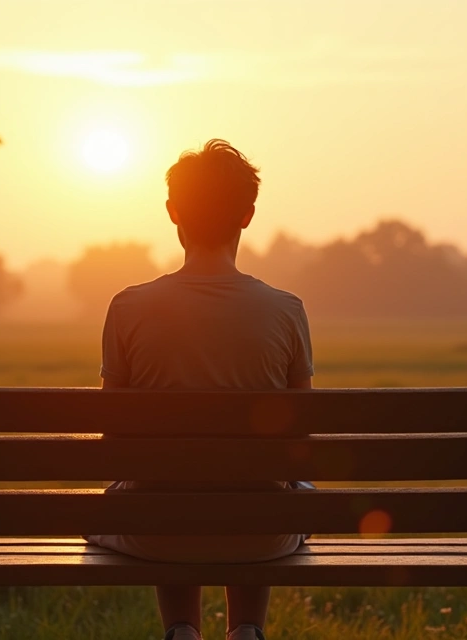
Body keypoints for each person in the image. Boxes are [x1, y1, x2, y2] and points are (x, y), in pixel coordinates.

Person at [86, 140, 314, 640]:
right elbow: (300, 447)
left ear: (173, 212)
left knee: (146, 492)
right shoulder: (286, 310)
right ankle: (248, 629)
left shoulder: (127, 308)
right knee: (293, 490)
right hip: (262, 537)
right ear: (248, 215)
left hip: (155, 534)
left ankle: (182, 630)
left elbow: (111, 445)